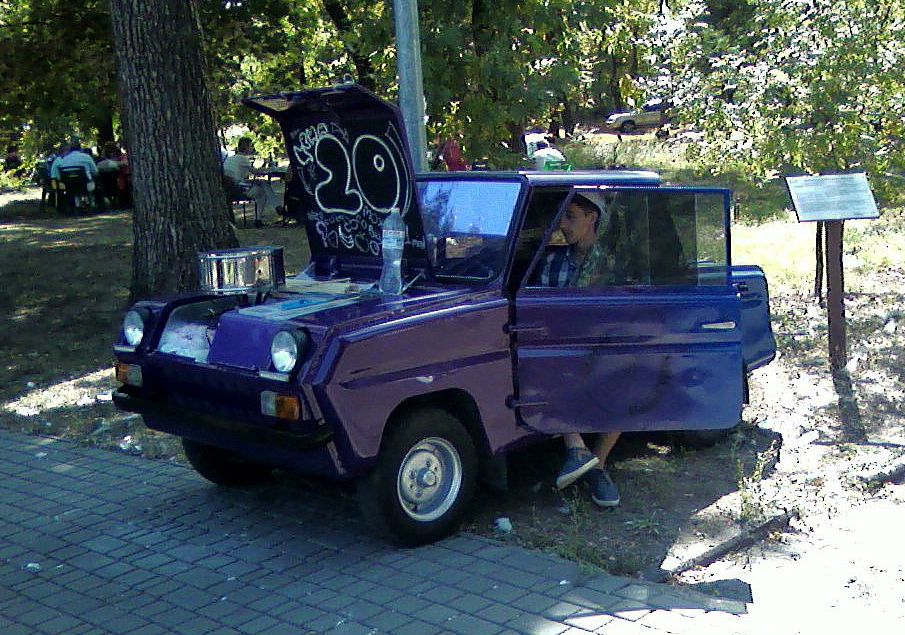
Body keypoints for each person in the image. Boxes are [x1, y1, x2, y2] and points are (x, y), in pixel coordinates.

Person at [537, 193, 621, 507]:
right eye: (561, 217)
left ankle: (597, 465)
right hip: (562, 346)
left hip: (602, 347)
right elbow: (541, 312)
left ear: (592, 218)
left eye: (571, 216)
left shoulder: (613, 263)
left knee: (626, 377)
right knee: (546, 364)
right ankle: (576, 447)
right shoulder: (552, 262)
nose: (563, 225)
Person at [222, 137, 280, 227]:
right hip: (238, 189)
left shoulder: (231, 158)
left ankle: (276, 208)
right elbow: (256, 172)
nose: (252, 148)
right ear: (246, 147)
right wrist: (270, 170)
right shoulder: (242, 159)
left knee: (263, 184)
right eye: (251, 146)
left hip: (230, 188)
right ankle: (272, 210)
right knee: (263, 190)